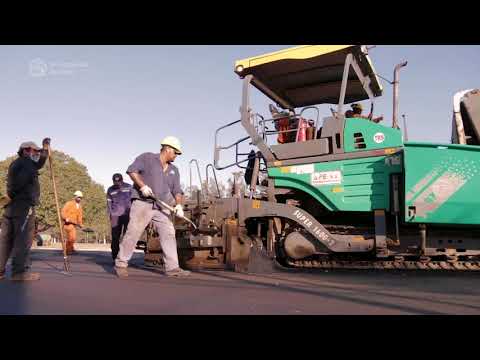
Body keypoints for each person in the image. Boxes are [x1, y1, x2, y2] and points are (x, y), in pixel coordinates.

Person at [114, 136, 191, 278]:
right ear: (167, 149)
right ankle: (121, 263)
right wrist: (142, 186)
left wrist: (179, 206)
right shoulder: (147, 158)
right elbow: (132, 171)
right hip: (143, 203)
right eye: (175, 153)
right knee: (133, 232)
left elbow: (177, 191)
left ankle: (173, 269)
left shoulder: (174, 170)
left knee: (169, 234)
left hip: (162, 206)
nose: (176, 156)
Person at [0, 138, 50, 281]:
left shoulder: (16, 163)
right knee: (23, 240)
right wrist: (22, 196)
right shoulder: (27, 163)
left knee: (6, 240)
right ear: (26, 151)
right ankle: (19, 272)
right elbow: (22, 181)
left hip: (11, 207)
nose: (37, 154)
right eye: (35, 151)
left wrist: (45, 149)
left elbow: (39, 163)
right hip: (23, 206)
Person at [107, 173, 132, 261]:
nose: (117, 184)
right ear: (113, 181)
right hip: (115, 216)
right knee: (115, 237)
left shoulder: (129, 187)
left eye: (119, 182)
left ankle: (123, 257)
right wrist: (110, 214)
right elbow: (109, 203)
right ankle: (115, 256)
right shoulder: (110, 189)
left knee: (126, 236)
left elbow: (134, 200)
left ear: (122, 180)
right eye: (115, 182)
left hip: (127, 215)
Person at [61, 191, 84, 255]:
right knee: (72, 237)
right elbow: (63, 211)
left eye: (81, 198)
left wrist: (80, 224)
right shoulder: (69, 203)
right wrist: (65, 218)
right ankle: (68, 251)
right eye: (78, 197)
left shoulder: (79, 206)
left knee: (71, 238)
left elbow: (80, 216)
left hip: (73, 224)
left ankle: (70, 249)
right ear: (75, 197)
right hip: (67, 224)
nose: (79, 199)